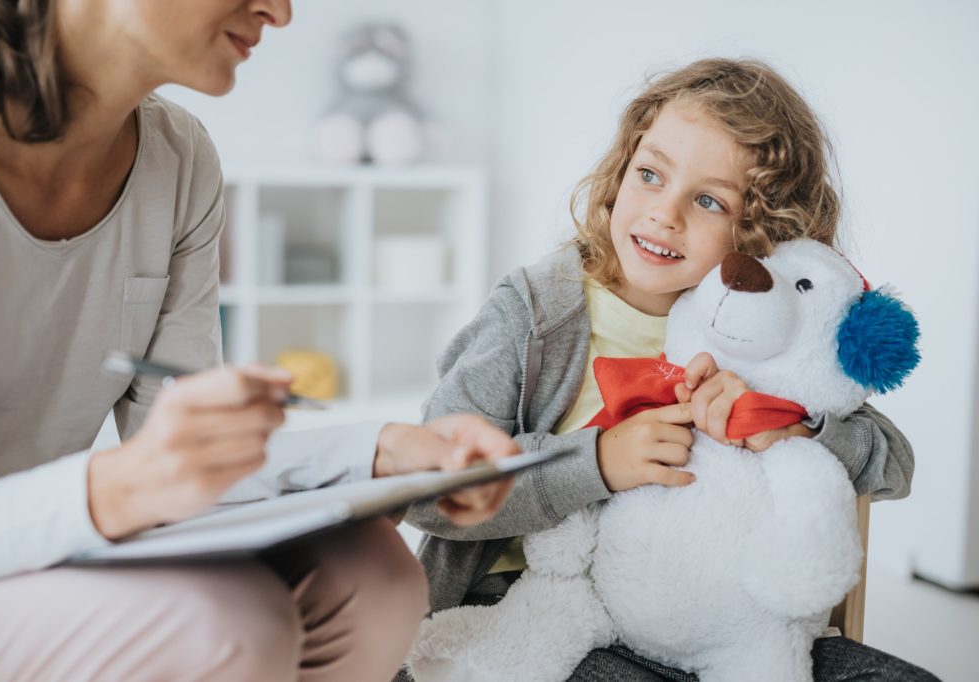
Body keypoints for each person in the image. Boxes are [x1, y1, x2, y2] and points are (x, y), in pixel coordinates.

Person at [0, 1, 516, 680]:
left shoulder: (180, 158)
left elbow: (179, 451)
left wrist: (383, 450)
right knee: (226, 624)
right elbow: (135, 480)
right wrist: (112, 492)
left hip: (36, 539)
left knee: (373, 576)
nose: (278, 12)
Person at [399, 59, 937, 680]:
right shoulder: (534, 317)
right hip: (534, 616)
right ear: (620, 171)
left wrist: (799, 432)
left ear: (764, 231)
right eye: (650, 174)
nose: (664, 213)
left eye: (709, 199)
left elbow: (894, 464)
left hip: (731, 625)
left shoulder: (761, 329)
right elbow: (429, 490)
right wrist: (596, 463)